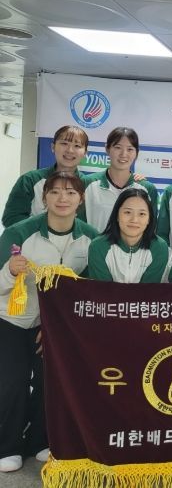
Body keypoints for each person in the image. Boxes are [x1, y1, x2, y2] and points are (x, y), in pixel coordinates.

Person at [0, 171, 97, 472]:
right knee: (12, 382)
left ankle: (40, 440)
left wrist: (59, 327)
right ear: (44, 198)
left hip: (57, 325)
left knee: (51, 381)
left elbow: (88, 289)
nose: (62, 198)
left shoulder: (91, 238)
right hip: (11, 319)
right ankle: (8, 446)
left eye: (70, 193)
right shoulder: (18, 233)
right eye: (55, 192)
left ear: (81, 199)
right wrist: (10, 272)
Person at [2, 125, 89, 228]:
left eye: (77, 146)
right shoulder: (30, 180)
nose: (70, 150)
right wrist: (45, 232)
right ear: (53, 147)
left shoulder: (89, 185)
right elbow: (11, 218)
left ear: (85, 153)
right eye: (64, 143)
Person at [83, 127, 158, 233]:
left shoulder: (147, 188)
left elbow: (150, 230)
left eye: (130, 149)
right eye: (118, 147)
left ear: (136, 153)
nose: (124, 154)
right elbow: (79, 225)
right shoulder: (88, 183)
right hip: (94, 244)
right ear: (107, 149)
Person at [87, 188, 168, 283]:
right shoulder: (98, 247)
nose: (134, 220)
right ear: (117, 215)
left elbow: (148, 290)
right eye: (128, 212)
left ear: (149, 219)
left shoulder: (159, 248)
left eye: (142, 214)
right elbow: (102, 290)